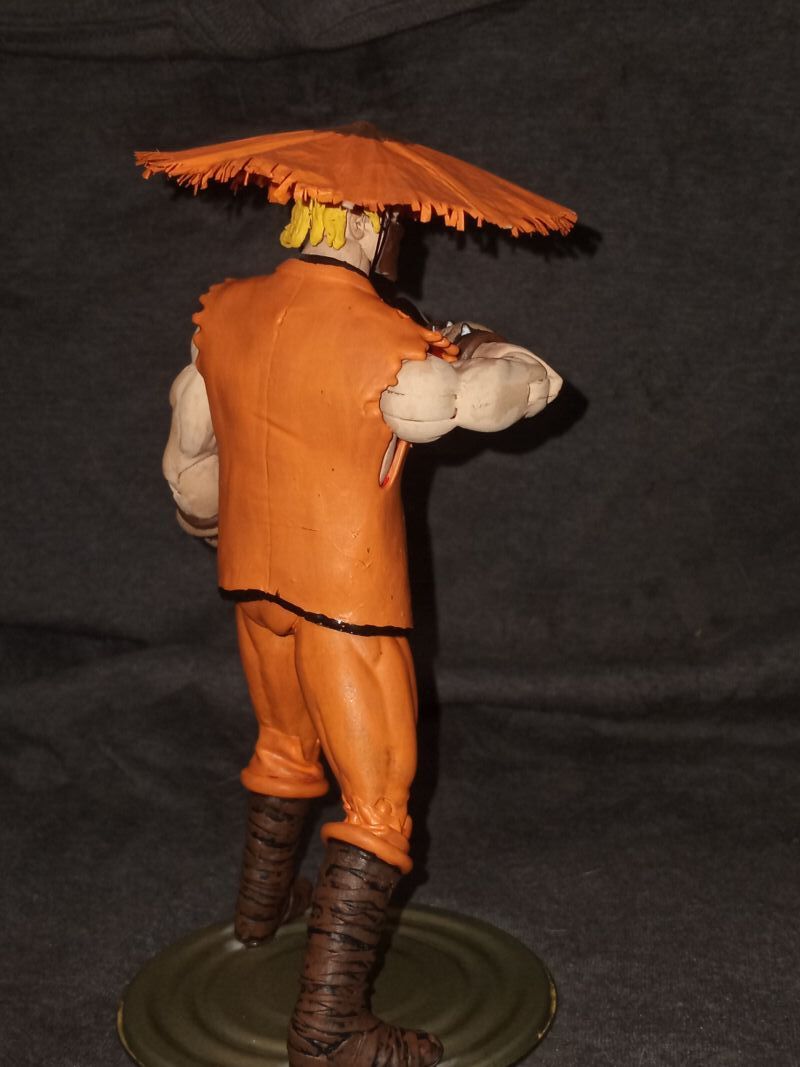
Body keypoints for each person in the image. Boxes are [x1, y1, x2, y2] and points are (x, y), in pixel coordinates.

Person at [162, 197, 562, 1067]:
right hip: (348, 604)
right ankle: (329, 1025)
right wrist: (481, 344)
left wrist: (218, 527)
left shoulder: (224, 311)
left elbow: (187, 463)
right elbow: (517, 391)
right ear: (368, 228)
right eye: (394, 225)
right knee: (378, 800)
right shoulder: (388, 341)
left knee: (281, 745)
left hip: (253, 588)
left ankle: (260, 912)